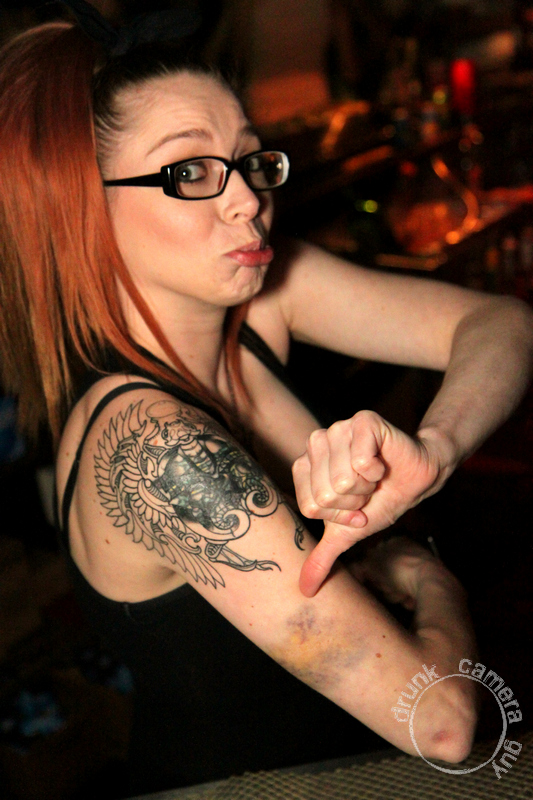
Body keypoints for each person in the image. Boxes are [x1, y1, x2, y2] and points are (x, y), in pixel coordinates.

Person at [1, 9, 532, 795]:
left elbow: (500, 323)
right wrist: (431, 579)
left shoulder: (257, 294)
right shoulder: (152, 445)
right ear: (83, 209)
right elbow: (443, 722)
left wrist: (439, 446)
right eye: (188, 172)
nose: (246, 200)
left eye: (249, 160)